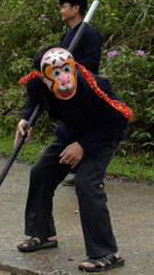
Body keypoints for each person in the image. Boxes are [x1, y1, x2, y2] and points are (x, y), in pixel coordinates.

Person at [15, 46, 131, 272]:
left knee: (86, 183)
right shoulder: (37, 83)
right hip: (72, 131)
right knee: (40, 173)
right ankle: (44, 233)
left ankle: (108, 252)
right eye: (55, 74)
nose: (65, 79)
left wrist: (83, 146)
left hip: (102, 134)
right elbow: (34, 102)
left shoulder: (94, 85)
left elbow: (118, 119)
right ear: (43, 76)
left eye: (67, 70)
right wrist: (25, 120)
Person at [59, 0, 104, 186]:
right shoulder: (67, 35)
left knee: (88, 130)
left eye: (64, 7)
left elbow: (93, 63)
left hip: (86, 90)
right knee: (74, 129)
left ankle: (96, 176)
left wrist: (71, 66)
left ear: (76, 9)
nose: (61, 11)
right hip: (70, 91)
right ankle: (78, 171)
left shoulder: (89, 33)